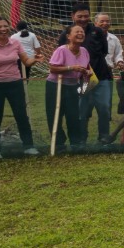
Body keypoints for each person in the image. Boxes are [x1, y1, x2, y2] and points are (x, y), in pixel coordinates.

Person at [0, 16, 39, 158]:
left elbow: (26, 62)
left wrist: (34, 59)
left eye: (6, 26)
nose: (3, 29)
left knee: (21, 115)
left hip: (14, 84)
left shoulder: (15, 43)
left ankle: (28, 146)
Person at [59, 4, 112, 146]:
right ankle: (81, 138)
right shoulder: (66, 34)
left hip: (101, 77)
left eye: (86, 16)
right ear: (73, 16)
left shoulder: (97, 32)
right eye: (79, 16)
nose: (83, 19)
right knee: (82, 109)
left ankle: (103, 137)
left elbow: (104, 52)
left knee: (104, 108)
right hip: (80, 80)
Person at [46, 22, 90, 151]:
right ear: (69, 36)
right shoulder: (61, 50)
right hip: (56, 85)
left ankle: (75, 142)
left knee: (73, 114)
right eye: (77, 31)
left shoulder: (84, 51)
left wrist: (86, 71)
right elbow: (52, 68)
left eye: (82, 31)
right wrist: (71, 68)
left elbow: (85, 67)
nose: (80, 33)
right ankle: (59, 143)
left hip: (73, 85)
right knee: (55, 114)